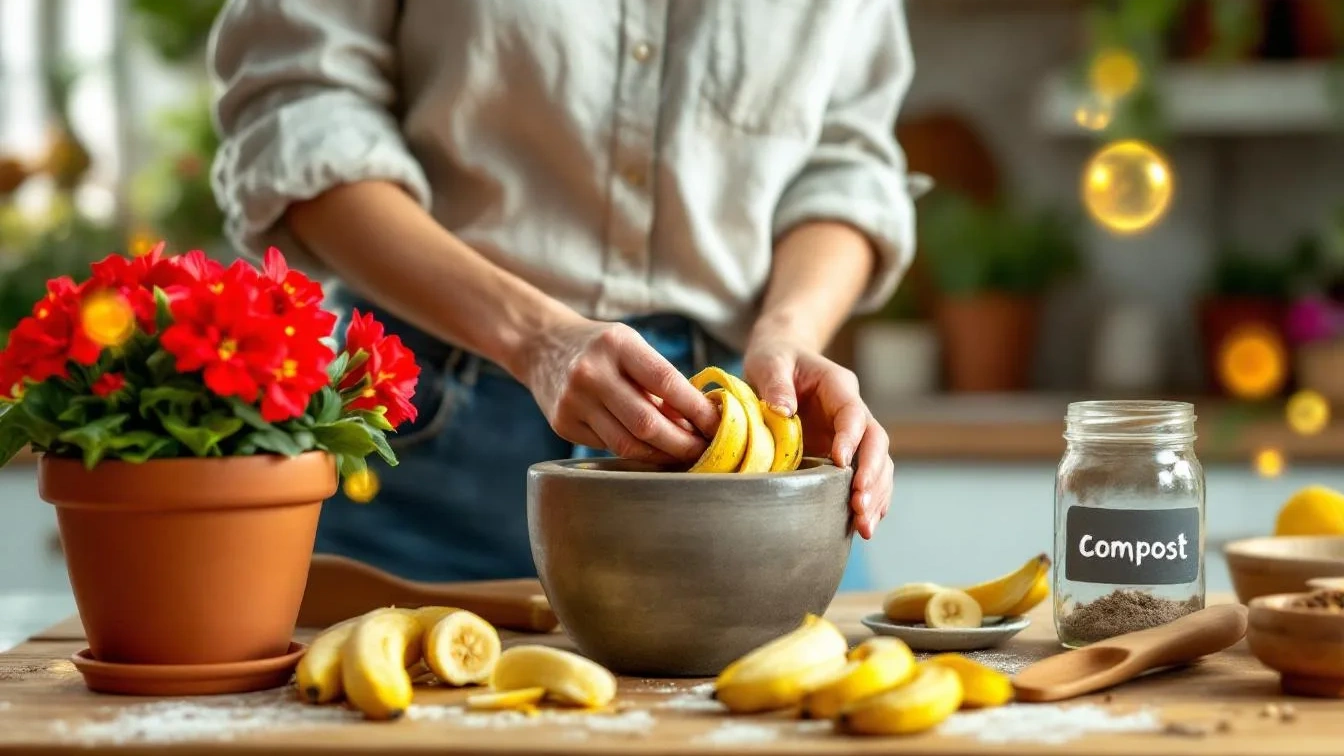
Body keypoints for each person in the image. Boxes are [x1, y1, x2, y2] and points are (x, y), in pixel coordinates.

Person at [207, 0, 916, 591]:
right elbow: (297, 111)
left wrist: (789, 334)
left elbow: (846, 163)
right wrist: (534, 338)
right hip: (430, 441)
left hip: (744, 452)